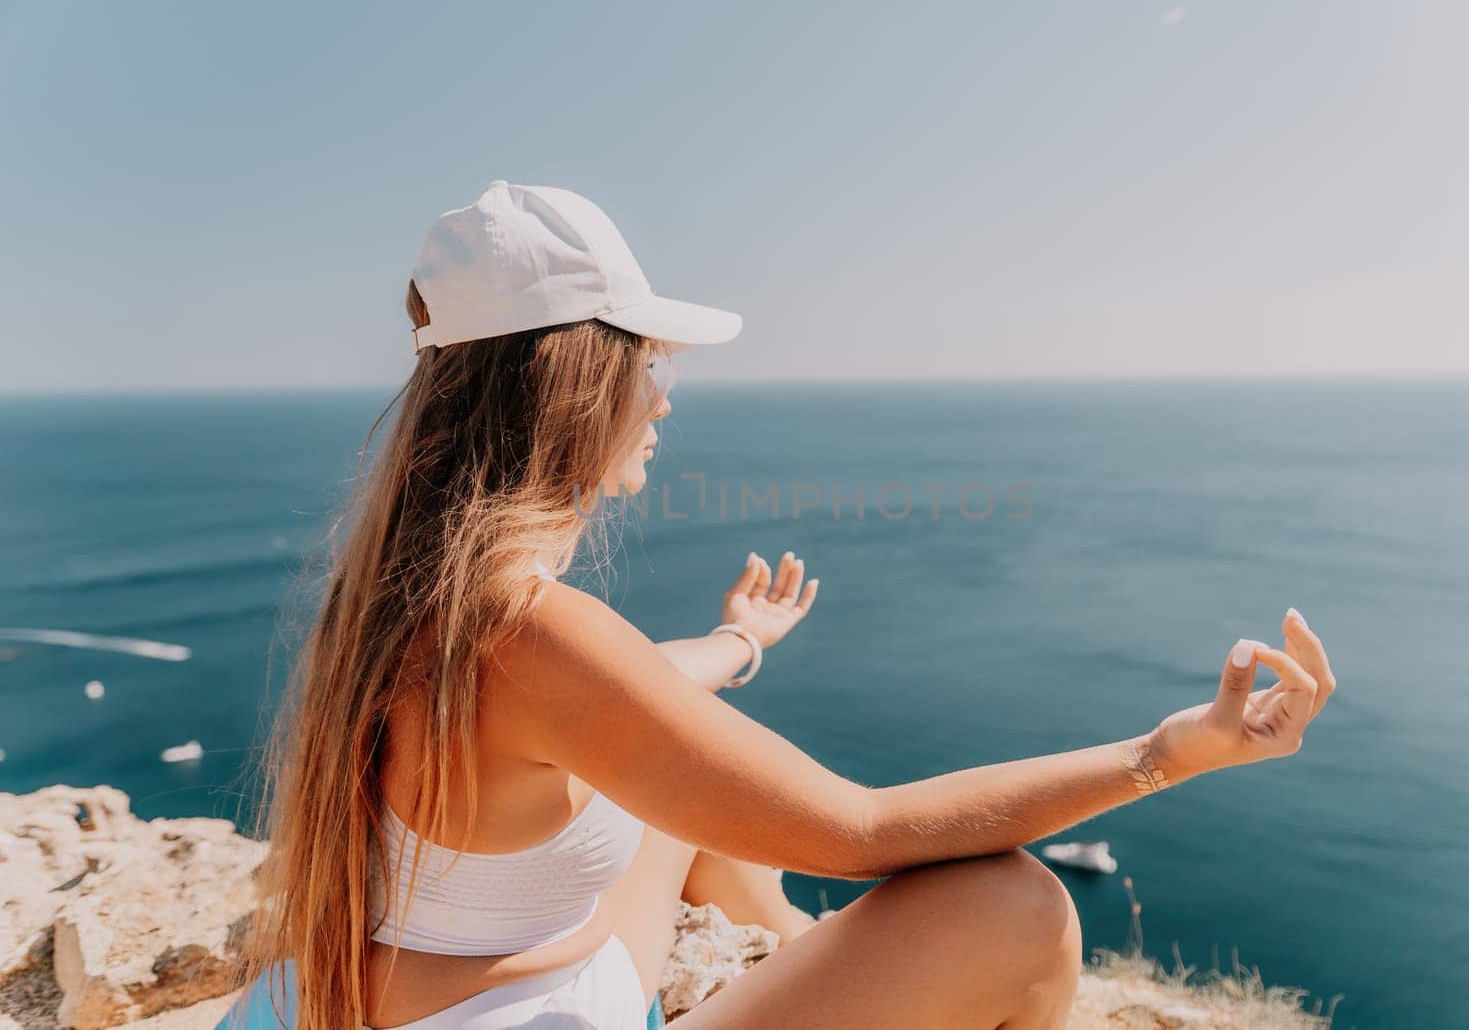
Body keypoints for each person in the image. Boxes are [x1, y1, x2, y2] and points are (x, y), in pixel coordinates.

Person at [236, 181, 1337, 1030]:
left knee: (675, 796)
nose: (661, 394)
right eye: (645, 361)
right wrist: (1169, 750)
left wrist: (733, 642)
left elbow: (607, 706)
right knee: (1016, 904)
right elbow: (864, 829)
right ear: (571, 380)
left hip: (424, 993)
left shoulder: (406, 585)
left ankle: (795, 954)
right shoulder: (528, 631)